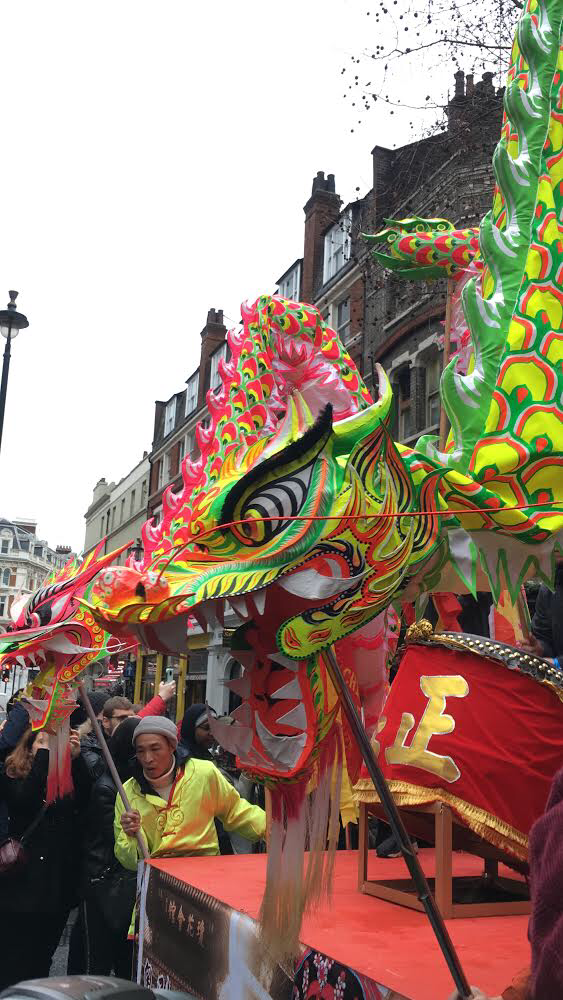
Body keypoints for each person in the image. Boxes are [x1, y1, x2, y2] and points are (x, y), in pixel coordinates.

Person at [0, 725, 91, 990]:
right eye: (42, 742)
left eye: (54, 743)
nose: (50, 747)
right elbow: (24, 800)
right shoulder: (13, 773)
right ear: (28, 747)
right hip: (21, 883)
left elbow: (86, 800)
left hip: (56, 883)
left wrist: (76, 759)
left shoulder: (66, 775)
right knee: (15, 956)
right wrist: (46, 755)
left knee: (43, 955)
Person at [115, 716, 266, 868]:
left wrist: (272, 831)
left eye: (155, 749)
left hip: (204, 871)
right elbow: (128, 862)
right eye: (141, 751)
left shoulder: (203, 773)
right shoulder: (127, 792)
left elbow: (236, 811)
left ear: (172, 747)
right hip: (158, 875)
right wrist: (131, 834)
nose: (148, 758)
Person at [69, 717, 141, 978]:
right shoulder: (108, 788)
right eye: (139, 749)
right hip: (104, 884)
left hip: (124, 886)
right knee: (97, 961)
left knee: (125, 960)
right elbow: (115, 840)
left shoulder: (134, 783)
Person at [102, 681, 177, 737]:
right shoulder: (100, 748)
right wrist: (162, 697)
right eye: (122, 718)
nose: (130, 722)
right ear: (106, 722)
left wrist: (162, 697)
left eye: (132, 718)